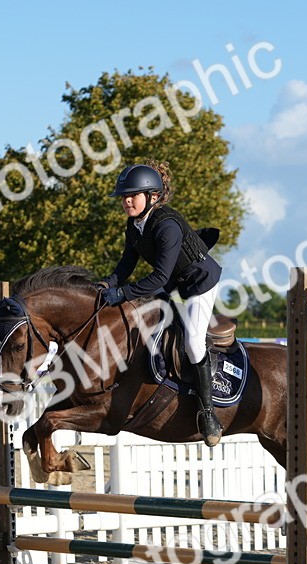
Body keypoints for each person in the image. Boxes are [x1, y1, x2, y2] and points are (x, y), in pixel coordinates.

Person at [99, 162, 224, 446]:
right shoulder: (134, 225)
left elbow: (159, 278)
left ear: (152, 196)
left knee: (193, 341)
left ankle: (208, 413)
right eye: (123, 197)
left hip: (199, 283)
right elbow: (126, 265)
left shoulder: (167, 225)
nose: (126, 201)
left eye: (132, 195)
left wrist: (123, 293)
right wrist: (107, 284)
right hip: (174, 284)